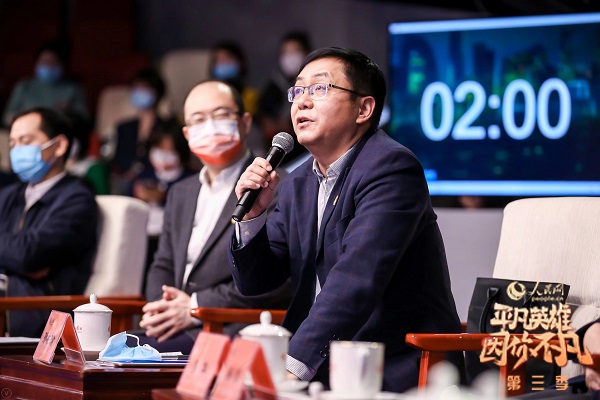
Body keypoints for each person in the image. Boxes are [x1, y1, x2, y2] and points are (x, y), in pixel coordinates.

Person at [229, 47, 463, 392]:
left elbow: (356, 278)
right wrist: (253, 216)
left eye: (319, 88)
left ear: (364, 109)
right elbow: (256, 282)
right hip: (320, 365)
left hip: (395, 365)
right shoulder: (296, 183)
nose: (302, 102)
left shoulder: (391, 168)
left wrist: (291, 369)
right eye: (298, 90)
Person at [137, 81, 291, 353]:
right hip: (176, 327)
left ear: (245, 123)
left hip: (230, 327)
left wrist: (195, 306)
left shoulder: (275, 186)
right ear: (187, 133)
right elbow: (163, 263)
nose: (209, 127)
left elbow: (275, 279)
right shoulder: (180, 192)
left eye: (220, 116)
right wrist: (163, 309)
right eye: (198, 120)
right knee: (115, 349)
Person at [0, 107, 98, 337]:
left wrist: (20, 259)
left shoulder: (77, 198)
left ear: (59, 145)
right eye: (13, 144)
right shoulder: (8, 195)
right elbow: (22, 256)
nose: (17, 150)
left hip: (38, 316)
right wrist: (15, 257)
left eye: (26, 141)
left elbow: (29, 255)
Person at [132, 129, 197, 292]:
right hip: (142, 237)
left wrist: (163, 197)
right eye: (159, 149)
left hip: (171, 241)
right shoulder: (143, 174)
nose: (162, 156)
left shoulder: (191, 179)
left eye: (169, 151)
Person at [111, 67, 177, 195]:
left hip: (157, 183)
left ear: (157, 93)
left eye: (145, 89)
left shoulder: (168, 127)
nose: (139, 93)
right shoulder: (124, 127)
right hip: (126, 184)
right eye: (136, 89)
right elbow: (117, 161)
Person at [2, 41, 88, 128]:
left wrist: (68, 114)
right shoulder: (24, 87)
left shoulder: (73, 89)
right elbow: (7, 118)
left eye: (52, 62)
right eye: (44, 61)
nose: (48, 66)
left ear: (62, 65)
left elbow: (83, 120)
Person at [258, 31, 311, 166]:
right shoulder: (271, 89)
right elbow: (265, 124)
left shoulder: (315, 87)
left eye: (295, 51)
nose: (290, 57)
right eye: (286, 52)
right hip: (281, 161)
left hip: (308, 155)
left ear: (307, 53)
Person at [210, 41, 260, 116]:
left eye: (227, 59)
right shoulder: (209, 96)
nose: (223, 63)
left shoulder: (252, 96)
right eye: (218, 60)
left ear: (241, 63)